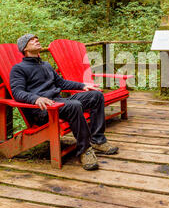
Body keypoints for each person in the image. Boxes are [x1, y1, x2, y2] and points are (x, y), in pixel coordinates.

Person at [10, 34, 119, 171]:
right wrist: (36, 98)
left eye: (37, 38)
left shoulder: (45, 65)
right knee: (74, 105)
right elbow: (17, 92)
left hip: (60, 102)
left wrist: (82, 86)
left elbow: (61, 83)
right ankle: (84, 150)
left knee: (96, 96)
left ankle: (98, 140)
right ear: (24, 48)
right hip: (44, 109)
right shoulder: (18, 69)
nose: (36, 40)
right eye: (31, 40)